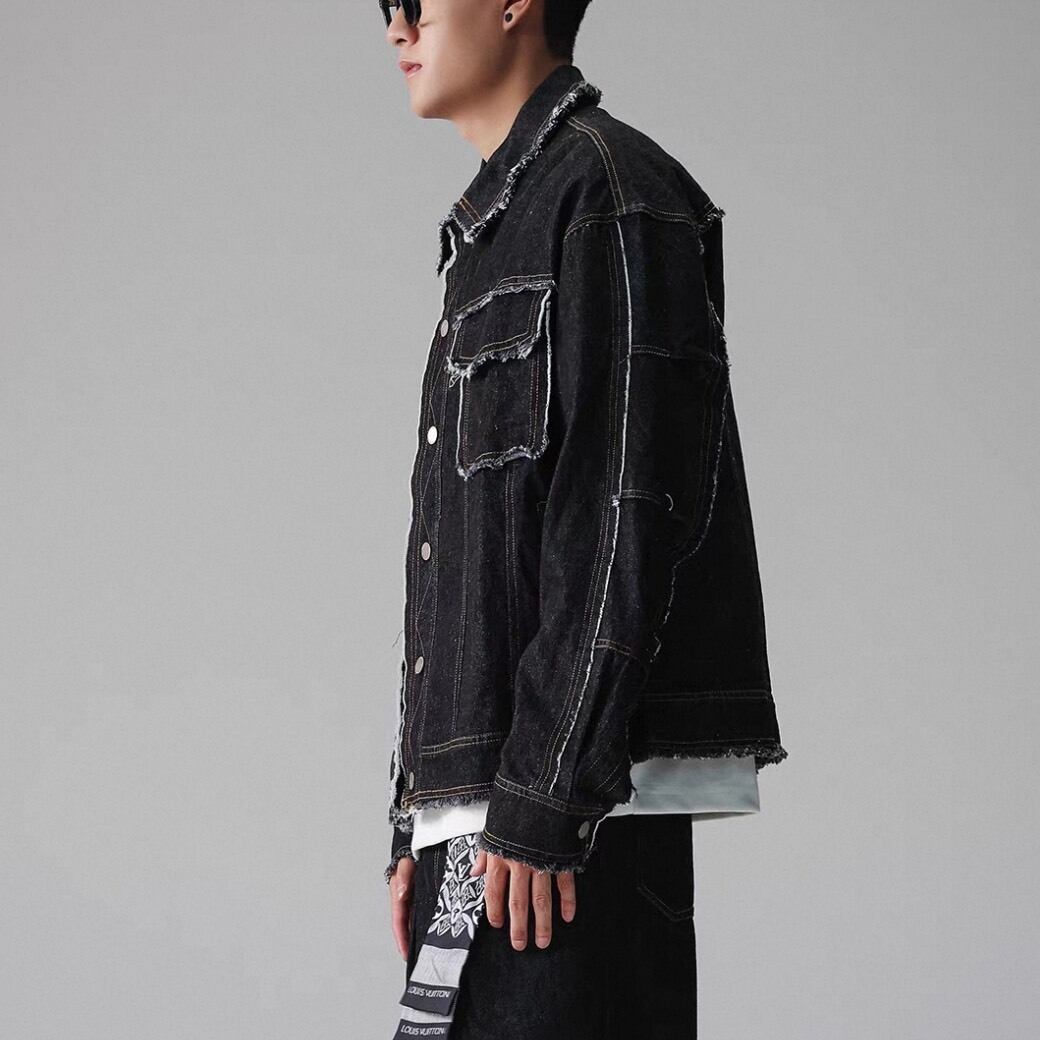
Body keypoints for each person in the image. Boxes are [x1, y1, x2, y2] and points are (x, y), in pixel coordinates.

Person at [379, 2, 787, 1036]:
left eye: (412, 1)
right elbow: (455, 565)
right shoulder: (489, 232)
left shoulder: (610, 194)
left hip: (565, 815)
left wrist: (548, 796)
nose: (395, 28)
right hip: (485, 815)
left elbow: (622, 514)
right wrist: (418, 817)